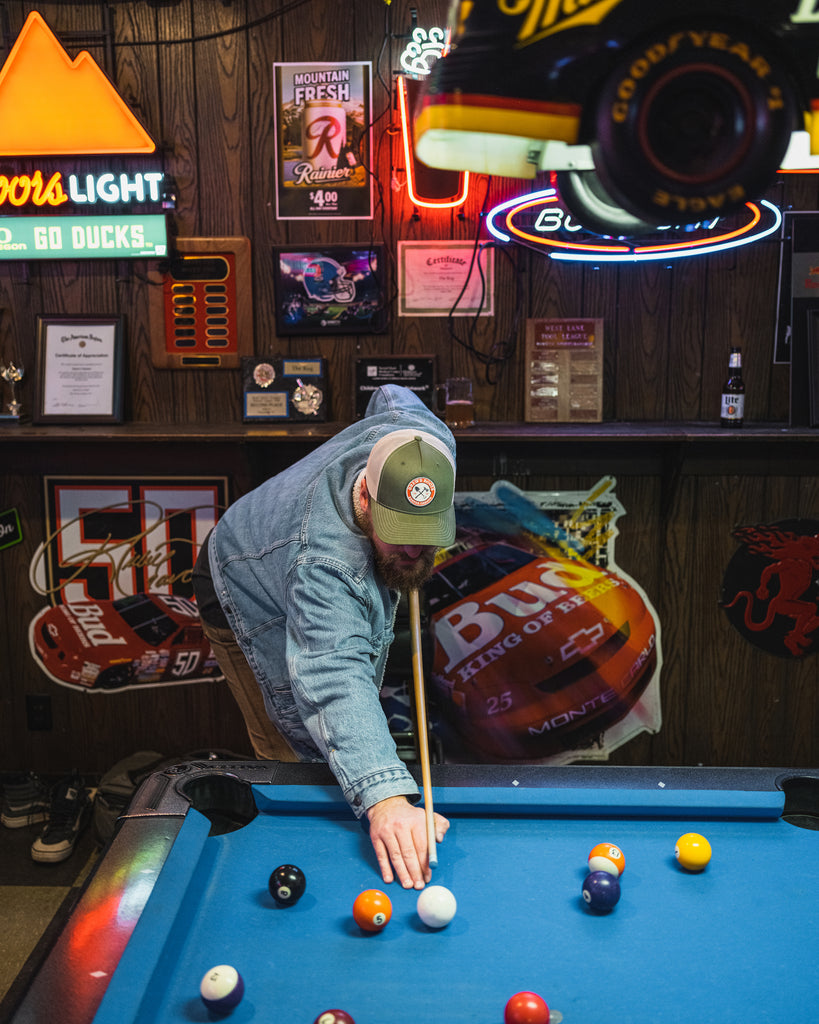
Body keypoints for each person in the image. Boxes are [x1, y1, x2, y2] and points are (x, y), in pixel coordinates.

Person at [192, 385, 456, 890]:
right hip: (240, 581)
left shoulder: (426, 442)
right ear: (365, 495)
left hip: (284, 548)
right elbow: (333, 674)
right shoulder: (324, 564)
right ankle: (292, 849)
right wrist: (385, 799)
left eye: (428, 533)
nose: (416, 549)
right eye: (401, 532)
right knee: (296, 740)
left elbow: (393, 395)